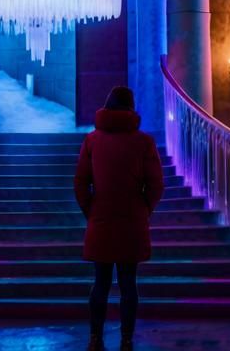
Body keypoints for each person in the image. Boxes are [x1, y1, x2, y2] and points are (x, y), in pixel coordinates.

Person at [73, 85, 165, 351]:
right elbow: (156, 183)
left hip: (101, 217)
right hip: (132, 220)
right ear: (131, 108)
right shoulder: (143, 141)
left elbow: (80, 181)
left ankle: (95, 338)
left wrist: (91, 209)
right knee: (128, 284)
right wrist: (144, 209)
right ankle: (126, 339)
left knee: (100, 283)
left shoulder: (92, 140)